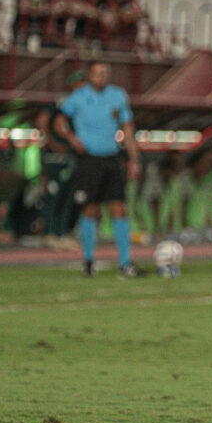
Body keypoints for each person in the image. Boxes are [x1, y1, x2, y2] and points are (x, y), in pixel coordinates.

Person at [54, 60, 141, 277]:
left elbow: (128, 129)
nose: (101, 76)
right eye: (97, 73)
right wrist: (72, 139)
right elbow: (58, 122)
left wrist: (133, 158)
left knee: (119, 208)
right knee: (89, 209)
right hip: (88, 158)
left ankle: (124, 262)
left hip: (111, 157)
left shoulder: (118, 96)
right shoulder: (79, 97)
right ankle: (88, 261)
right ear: (90, 75)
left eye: (105, 73)